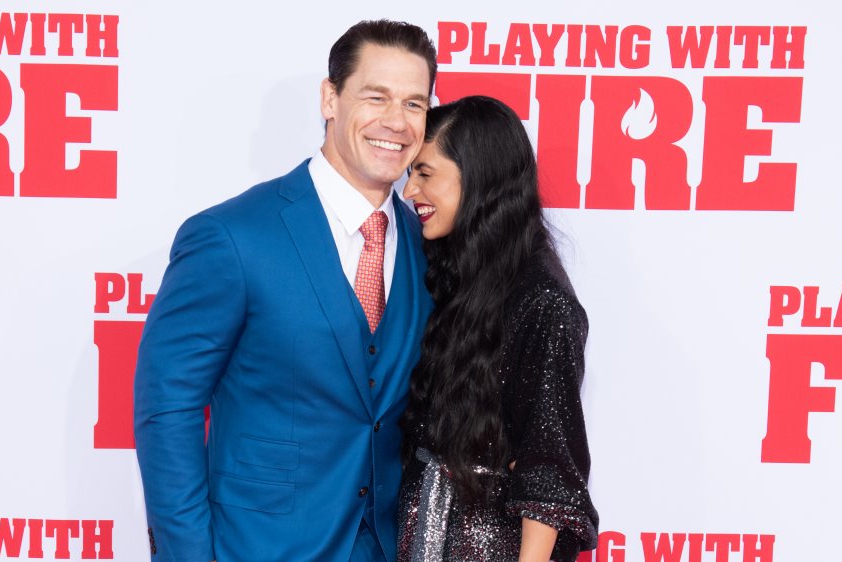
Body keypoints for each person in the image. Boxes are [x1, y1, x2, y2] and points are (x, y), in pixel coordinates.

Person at [133, 20, 436, 562]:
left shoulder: (426, 241)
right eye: (376, 96)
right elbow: (168, 407)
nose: (396, 121)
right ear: (330, 98)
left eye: (415, 104)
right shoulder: (232, 236)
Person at [397, 96, 599, 562]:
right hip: (422, 535)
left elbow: (549, 469)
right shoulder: (451, 273)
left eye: (425, 173)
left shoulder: (542, 302)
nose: (409, 191)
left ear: (478, 176)